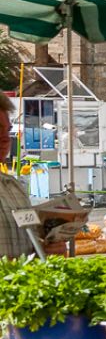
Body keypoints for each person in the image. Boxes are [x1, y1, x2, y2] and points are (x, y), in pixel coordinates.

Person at [0, 98, 38, 257]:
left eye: (7, 131)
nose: (6, 138)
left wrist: (45, 251)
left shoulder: (14, 187)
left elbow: (31, 247)